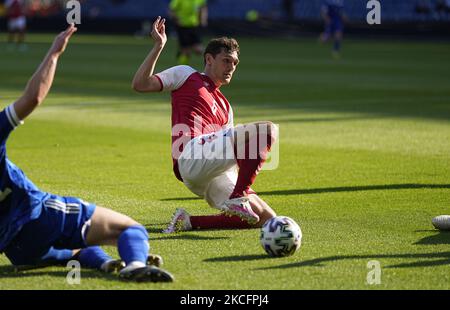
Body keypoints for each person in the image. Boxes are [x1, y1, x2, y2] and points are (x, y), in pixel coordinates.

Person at [0, 24, 173, 283]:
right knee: (130, 228)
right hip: (39, 215)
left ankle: (104, 262)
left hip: (15, 248)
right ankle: (135, 265)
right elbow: (32, 98)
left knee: (72, 249)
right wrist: (55, 53)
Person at [132, 17, 277, 233]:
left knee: (264, 218)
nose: (231, 67)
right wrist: (158, 46)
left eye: (235, 63)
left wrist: (241, 184)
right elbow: (140, 84)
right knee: (268, 129)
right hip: (191, 155)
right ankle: (238, 197)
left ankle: (188, 221)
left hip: (210, 174)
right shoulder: (186, 75)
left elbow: (231, 151)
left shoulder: (226, 107)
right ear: (209, 59)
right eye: (226, 60)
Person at [169, 0, 208, 65]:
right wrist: (177, 20)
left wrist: (203, 18)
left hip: (194, 26)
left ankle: (181, 53)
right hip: (182, 27)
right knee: (186, 50)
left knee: (198, 50)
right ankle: (181, 67)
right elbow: (171, 10)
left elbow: (203, 7)